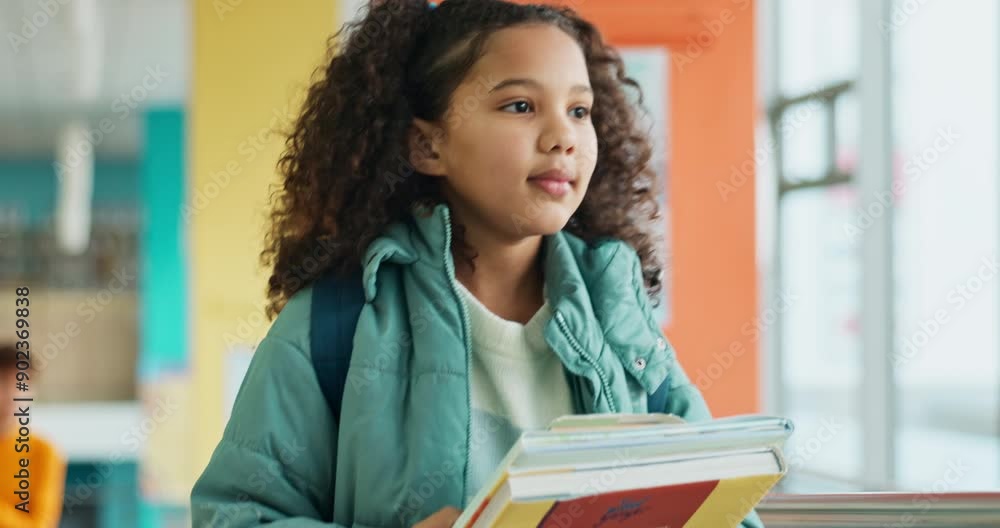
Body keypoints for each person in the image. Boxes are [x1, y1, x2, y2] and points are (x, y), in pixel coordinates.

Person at [191, 1, 764, 526]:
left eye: (580, 109)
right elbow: (235, 515)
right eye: (520, 105)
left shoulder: (618, 312)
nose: (563, 135)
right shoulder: (336, 322)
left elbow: (723, 506)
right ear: (427, 146)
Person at [0, 344, 65, 527]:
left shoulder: (43, 452)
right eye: (4, 382)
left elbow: (41, 525)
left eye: (22, 384)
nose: (14, 393)